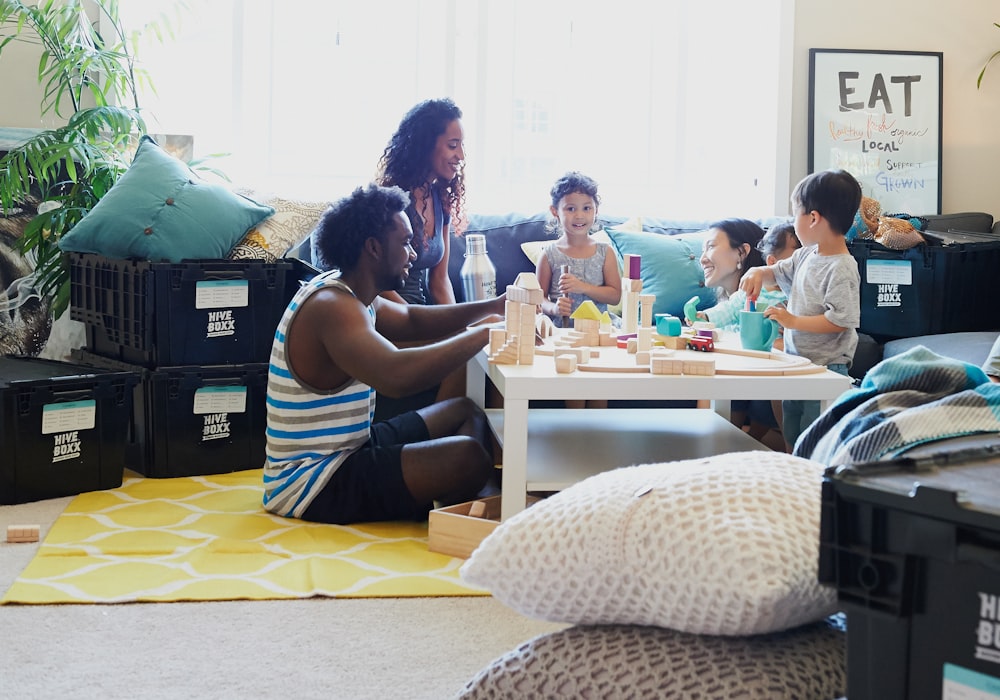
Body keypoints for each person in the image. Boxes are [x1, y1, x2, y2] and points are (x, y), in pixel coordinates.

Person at [264, 183, 507, 524]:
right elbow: (396, 375)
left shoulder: (353, 293)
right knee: (468, 457)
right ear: (374, 248)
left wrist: (493, 307)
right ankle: (465, 505)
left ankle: (458, 501)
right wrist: (483, 334)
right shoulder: (332, 306)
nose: (415, 252)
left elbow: (412, 320)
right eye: (406, 241)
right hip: (313, 481)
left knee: (465, 411)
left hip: (353, 446)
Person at [740, 168, 863, 452]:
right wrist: (759, 272)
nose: (793, 222)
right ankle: (792, 474)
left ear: (813, 218)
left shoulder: (842, 267)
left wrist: (793, 321)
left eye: (795, 214)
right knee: (792, 431)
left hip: (826, 369)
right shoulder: (807, 254)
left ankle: (811, 483)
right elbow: (777, 271)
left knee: (814, 438)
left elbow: (840, 321)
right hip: (798, 362)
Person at [373, 97, 468, 416]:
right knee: (465, 355)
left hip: (422, 316)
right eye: (453, 145)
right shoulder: (389, 198)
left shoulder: (440, 199)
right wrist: (428, 327)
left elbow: (440, 283)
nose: (460, 156)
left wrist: (457, 323)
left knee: (480, 348)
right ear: (427, 143)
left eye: (461, 146)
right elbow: (376, 286)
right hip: (388, 318)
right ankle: (429, 433)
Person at [695, 218, 789, 449]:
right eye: (702, 249)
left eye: (711, 246)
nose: (703, 257)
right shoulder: (726, 308)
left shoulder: (779, 297)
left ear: (742, 252)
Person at [535, 172, 621, 409]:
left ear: (596, 211)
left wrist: (583, 287)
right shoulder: (549, 253)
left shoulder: (605, 252)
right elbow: (537, 299)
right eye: (571, 209)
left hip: (600, 330)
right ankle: (574, 436)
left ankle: (596, 435)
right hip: (565, 331)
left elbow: (615, 295)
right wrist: (553, 307)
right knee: (573, 384)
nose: (579, 215)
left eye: (586, 208)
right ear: (555, 211)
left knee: (598, 382)